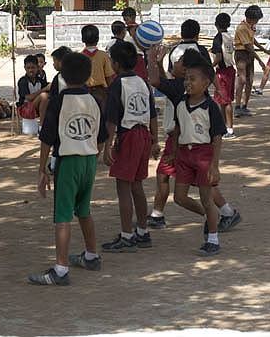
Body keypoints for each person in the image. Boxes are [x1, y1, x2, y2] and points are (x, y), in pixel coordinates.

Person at [29, 53, 107, 285]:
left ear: (61, 73)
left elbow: (46, 139)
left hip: (68, 160)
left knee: (63, 215)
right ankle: (91, 255)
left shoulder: (59, 101)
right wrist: (93, 154)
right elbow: (101, 136)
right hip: (89, 160)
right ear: (88, 76)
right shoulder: (94, 100)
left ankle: (60, 270)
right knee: (84, 210)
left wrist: (42, 169)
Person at [146, 47, 241, 232]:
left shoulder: (184, 88)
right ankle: (223, 213)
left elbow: (157, 82)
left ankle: (215, 216)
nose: (177, 62)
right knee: (194, 184)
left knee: (186, 180)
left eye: (180, 60)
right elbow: (165, 82)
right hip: (181, 141)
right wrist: (158, 63)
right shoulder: (186, 86)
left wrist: (150, 59)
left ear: (187, 68)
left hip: (185, 143)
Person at [101, 42, 159, 252]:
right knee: (137, 185)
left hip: (129, 135)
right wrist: (155, 140)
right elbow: (152, 113)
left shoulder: (118, 84)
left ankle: (127, 234)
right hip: (144, 135)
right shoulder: (142, 82)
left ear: (116, 64)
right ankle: (142, 231)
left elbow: (111, 119)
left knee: (123, 186)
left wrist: (107, 146)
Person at [169, 59, 227, 256]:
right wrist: (174, 153)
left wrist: (215, 165)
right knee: (179, 197)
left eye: (192, 79)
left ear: (206, 84)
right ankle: (210, 217)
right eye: (186, 78)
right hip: (185, 154)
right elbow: (178, 129)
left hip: (203, 154)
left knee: (206, 198)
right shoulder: (180, 104)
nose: (187, 83)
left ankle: (213, 239)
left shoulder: (210, 107)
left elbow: (217, 137)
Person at [233, 5, 268, 117]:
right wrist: (260, 60)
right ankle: (237, 106)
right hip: (242, 54)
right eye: (256, 19)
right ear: (251, 18)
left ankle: (245, 106)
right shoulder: (242, 28)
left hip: (249, 55)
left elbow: (252, 40)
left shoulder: (250, 27)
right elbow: (248, 46)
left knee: (249, 80)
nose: (257, 22)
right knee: (242, 80)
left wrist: (264, 50)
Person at [211, 13, 236, 139]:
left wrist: (210, 66)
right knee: (224, 100)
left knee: (225, 100)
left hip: (223, 71)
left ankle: (229, 129)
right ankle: (225, 126)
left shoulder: (218, 38)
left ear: (216, 24)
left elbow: (218, 57)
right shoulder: (229, 36)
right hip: (231, 69)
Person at [81, 24, 114, 109]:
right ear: (98, 39)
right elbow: (109, 77)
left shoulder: (79, 56)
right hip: (101, 93)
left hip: (84, 92)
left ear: (82, 39)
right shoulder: (103, 55)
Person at [38, 46, 72, 127]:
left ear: (61, 61)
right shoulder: (73, 75)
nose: (53, 64)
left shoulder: (59, 78)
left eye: (54, 61)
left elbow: (52, 96)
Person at [17, 55, 48, 121]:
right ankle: (42, 123)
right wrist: (44, 89)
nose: (31, 70)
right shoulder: (23, 81)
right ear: (25, 68)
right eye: (28, 68)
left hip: (36, 107)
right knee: (44, 96)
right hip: (25, 108)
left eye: (33, 68)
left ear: (37, 67)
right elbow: (29, 97)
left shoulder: (40, 80)